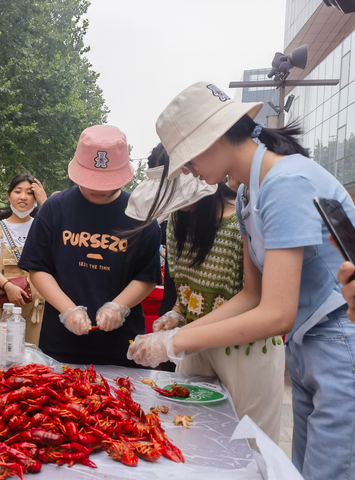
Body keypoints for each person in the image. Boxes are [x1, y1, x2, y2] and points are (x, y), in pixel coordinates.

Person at [127, 82, 355, 479]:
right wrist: (173, 333)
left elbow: (277, 314)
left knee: (327, 471)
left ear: (212, 140)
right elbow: (252, 295)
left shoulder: (285, 184)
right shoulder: (251, 192)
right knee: (300, 468)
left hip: (336, 339)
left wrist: (174, 342)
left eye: (187, 160)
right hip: (308, 344)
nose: (186, 171)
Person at [135, 146, 284, 442]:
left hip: (246, 349)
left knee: (248, 444)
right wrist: (175, 315)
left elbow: (255, 299)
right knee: (190, 432)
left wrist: (173, 340)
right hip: (196, 345)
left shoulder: (240, 220)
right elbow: (183, 289)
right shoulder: (177, 221)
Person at [18, 125, 162, 366]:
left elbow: (146, 276)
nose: (97, 188)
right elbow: (38, 268)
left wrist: (118, 306)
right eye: (91, 180)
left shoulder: (142, 215)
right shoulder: (55, 209)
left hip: (122, 348)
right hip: (61, 345)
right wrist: (68, 310)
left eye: (106, 182)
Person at [0, 173, 47, 348]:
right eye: (18, 191)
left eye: (30, 193)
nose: (23, 197)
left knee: (33, 353)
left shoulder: (43, 225)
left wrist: (45, 204)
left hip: (36, 304)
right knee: (2, 350)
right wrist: (8, 287)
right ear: (8, 195)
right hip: (4, 302)